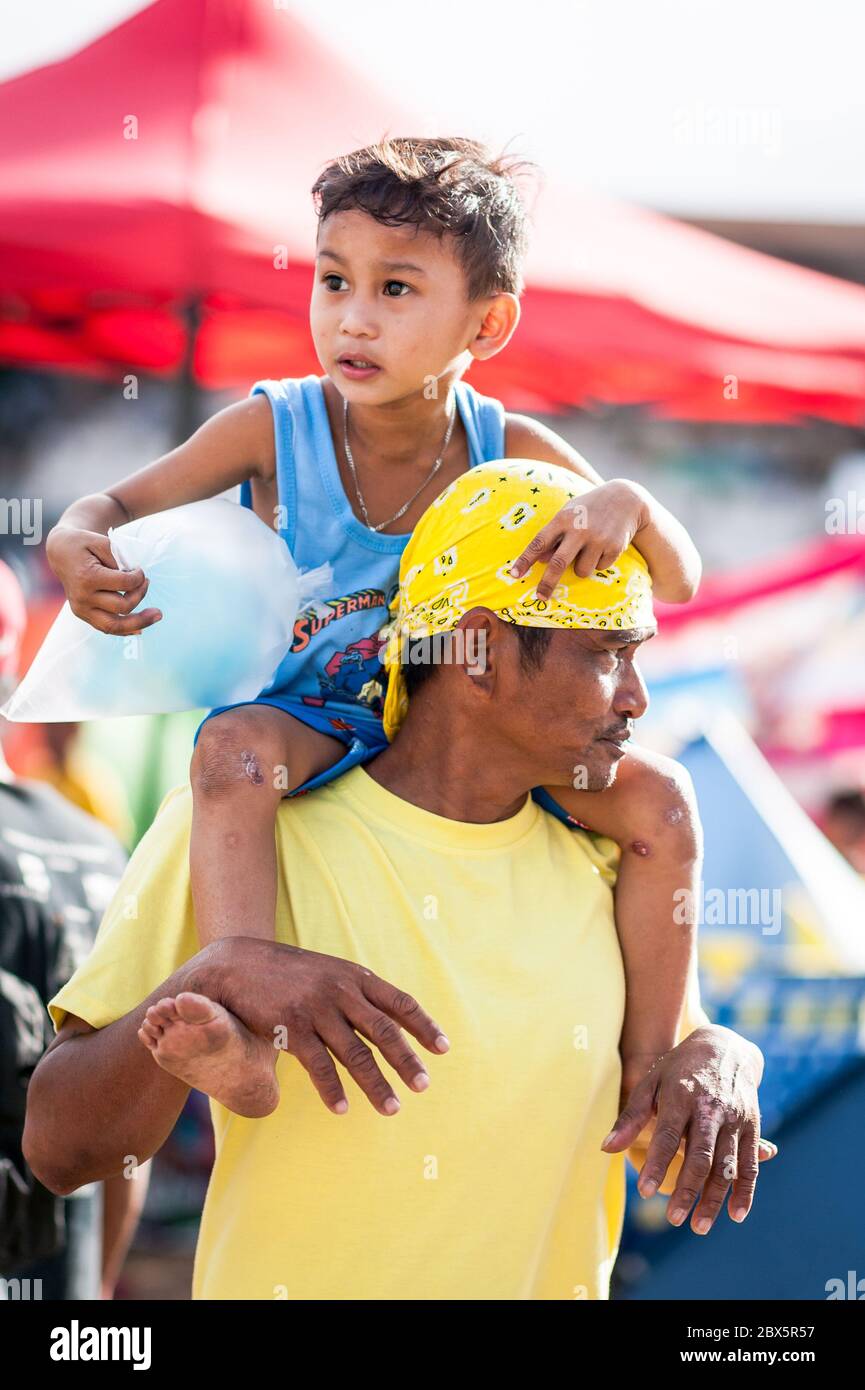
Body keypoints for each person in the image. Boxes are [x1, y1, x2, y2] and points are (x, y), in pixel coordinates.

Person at [44, 135, 703, 1114]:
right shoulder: (273, 427)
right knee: (227, 752)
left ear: (488, 322)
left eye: (395, 290)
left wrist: (629, 502)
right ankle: (243, 1019)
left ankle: (649, 1068)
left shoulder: (509, 445)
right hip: (315, 718)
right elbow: (109, 505)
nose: (352, 318)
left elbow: (679, 582)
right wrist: (71, 540)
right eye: (331, 280)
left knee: (665, 803)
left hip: (450, 728)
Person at [23, 465, 774, 1301]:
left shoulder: (615, 859)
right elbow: (59, 1151)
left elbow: (657, 1079)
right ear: (479, 653)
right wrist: (214, 974)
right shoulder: (249, 829)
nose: (636, 696)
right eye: (606, 655)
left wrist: (723, 1054)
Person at [0, 560, 144, 1300]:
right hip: (65, 1287)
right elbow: (133, 1128)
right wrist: (92, 1285)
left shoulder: (96, 808)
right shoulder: (96, 845)